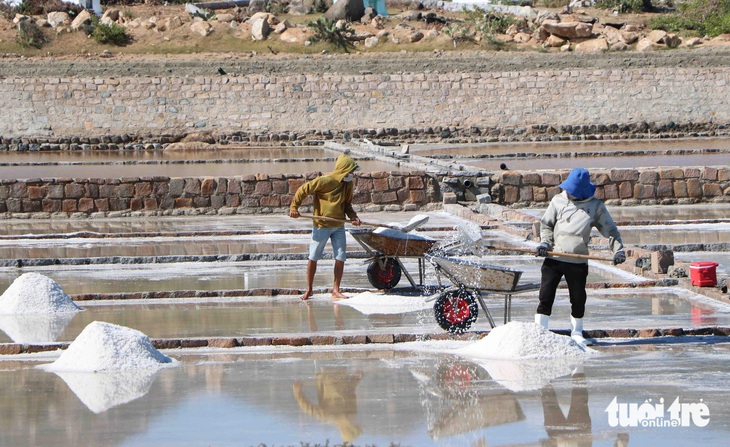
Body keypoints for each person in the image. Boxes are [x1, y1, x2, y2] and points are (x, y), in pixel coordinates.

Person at [534, 168, 626, 346]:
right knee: (545, 295)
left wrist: (618, 250)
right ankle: (540, 331)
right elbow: (546, 225)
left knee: (577, 298)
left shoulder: (595, 206)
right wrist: (545, 243)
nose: (570, 193)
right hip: (554, 257)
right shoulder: (558, 200)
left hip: (577, 260)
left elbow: (610, 230)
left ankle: (576, 332)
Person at [290, 153, 362, 300]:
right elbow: (303, 189)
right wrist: (294, 207)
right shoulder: (325, 181)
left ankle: (336, 289)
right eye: (350, 171)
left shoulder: (348, 184)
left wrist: (353, 217)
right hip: (322, 225)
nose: (352, 174)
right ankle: (309, 289)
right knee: (314, 256)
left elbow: (347, 205)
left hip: (338, 226)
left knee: (341, 256)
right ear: (343, 170)